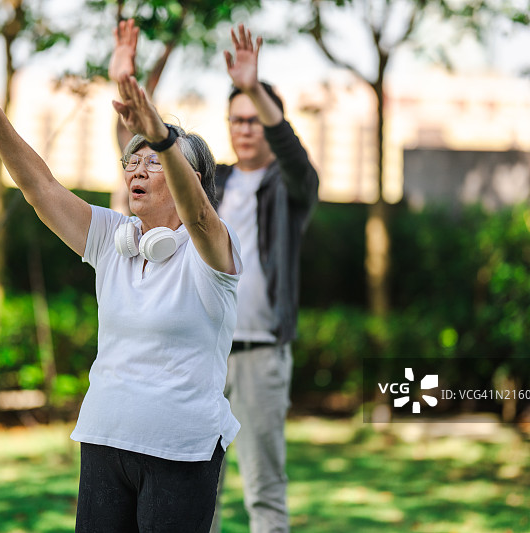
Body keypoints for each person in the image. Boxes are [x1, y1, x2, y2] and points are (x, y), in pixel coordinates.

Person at [0, 43, 243, 533]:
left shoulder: (211, 250)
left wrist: (157, 133)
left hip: (181, 450)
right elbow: (39, 188)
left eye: (155, 162)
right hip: (106, 439)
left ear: (193, 180)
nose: (137, 170)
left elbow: (196, 216)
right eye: (132, 161)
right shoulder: (112, 237)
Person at [211, 24, 319, 533]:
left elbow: (296, 159)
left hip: (260, 355)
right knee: (192, 492)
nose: (245, 128)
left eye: (255, 118)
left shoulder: (289, 185)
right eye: (237, 119)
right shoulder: (214, 183)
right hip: (203, 355)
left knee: (264, 494)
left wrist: (253, 85)